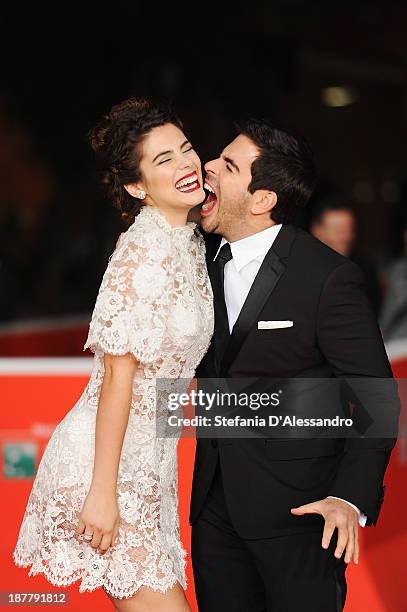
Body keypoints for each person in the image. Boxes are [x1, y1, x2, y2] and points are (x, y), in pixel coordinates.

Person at [13, 98, 214, 612]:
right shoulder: (141, 253)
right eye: (163, 159)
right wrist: (103, 493)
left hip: (150, 467)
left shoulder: (185, 241)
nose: (186, 164)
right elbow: (116, 379)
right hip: (108, 470)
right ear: (136, 186)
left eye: (186, 149)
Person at [190, 119, 398, 611]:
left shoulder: (327, 279)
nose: (209, 168)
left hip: (301, 519)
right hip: (214, 515)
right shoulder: (194, 262)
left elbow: (377, 397)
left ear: (262, 200)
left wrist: (348, 498)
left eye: (228, 165)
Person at [309, 196, 382, 315]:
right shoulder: (301, 267)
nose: (345, 237)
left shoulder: (364, 266)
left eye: (349, 230)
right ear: (317, 230)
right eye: (338, 231)